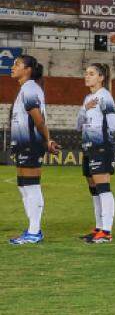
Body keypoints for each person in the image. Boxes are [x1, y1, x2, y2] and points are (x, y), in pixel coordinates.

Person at [8, 55, 59, 245]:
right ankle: (32, 227)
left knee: (31, 186)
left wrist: (47, 139)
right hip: (23, 143)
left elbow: (38, 119)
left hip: (31, 143)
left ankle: (35, 231)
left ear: (28, 69)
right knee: (23, 186)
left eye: (17, 64)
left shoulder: (30, 88)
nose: (13, 67)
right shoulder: (26, 89)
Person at [77, 63, 115, 243]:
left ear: (101, 78)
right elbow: (78, 125)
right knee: (94, 190)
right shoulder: (88, 98)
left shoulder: (105, 97)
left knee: (103, 188)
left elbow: (114, 125)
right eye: (86, 73)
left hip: (101, 147)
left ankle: (107, 231)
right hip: (88, 147)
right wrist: (84, 109)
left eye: (92, 73)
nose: (87, 76)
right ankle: (98, 228)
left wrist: (104, 140)